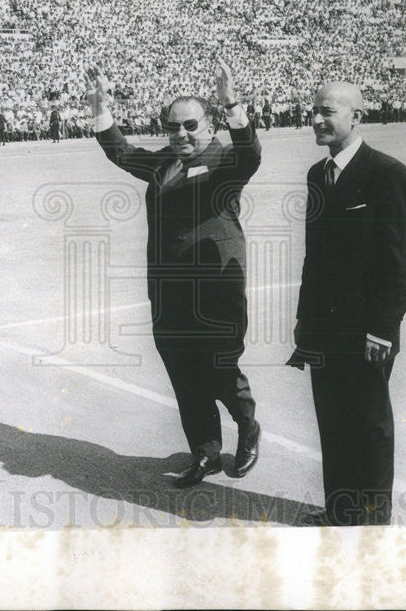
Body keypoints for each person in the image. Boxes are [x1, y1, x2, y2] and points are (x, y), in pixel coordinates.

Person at [86, 58, 262, 488]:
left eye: (190, 125)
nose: (180, 134)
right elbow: (122, 153)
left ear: (210, 125)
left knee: (219, 369)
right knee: (184, 374)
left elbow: (251, 155)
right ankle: (205, 453)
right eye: (172, 127)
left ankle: (247, 426)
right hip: (168, 292)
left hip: (216, 288)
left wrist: (232, 103)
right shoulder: (164, 161)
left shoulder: (225, 160)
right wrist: (99, 107)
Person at [288, 81, 406, 526]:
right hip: (325, 328)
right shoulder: (318, 174)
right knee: (332, 422)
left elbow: (402, 258)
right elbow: (315, 258)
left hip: (367, 330)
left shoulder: (386, 173)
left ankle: (372, 521)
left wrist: (383, 328)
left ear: (356, 116)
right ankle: (340, 513)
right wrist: (304, 321)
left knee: (368, 426)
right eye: (313, 112)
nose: (316, 121)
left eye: (326, 112)